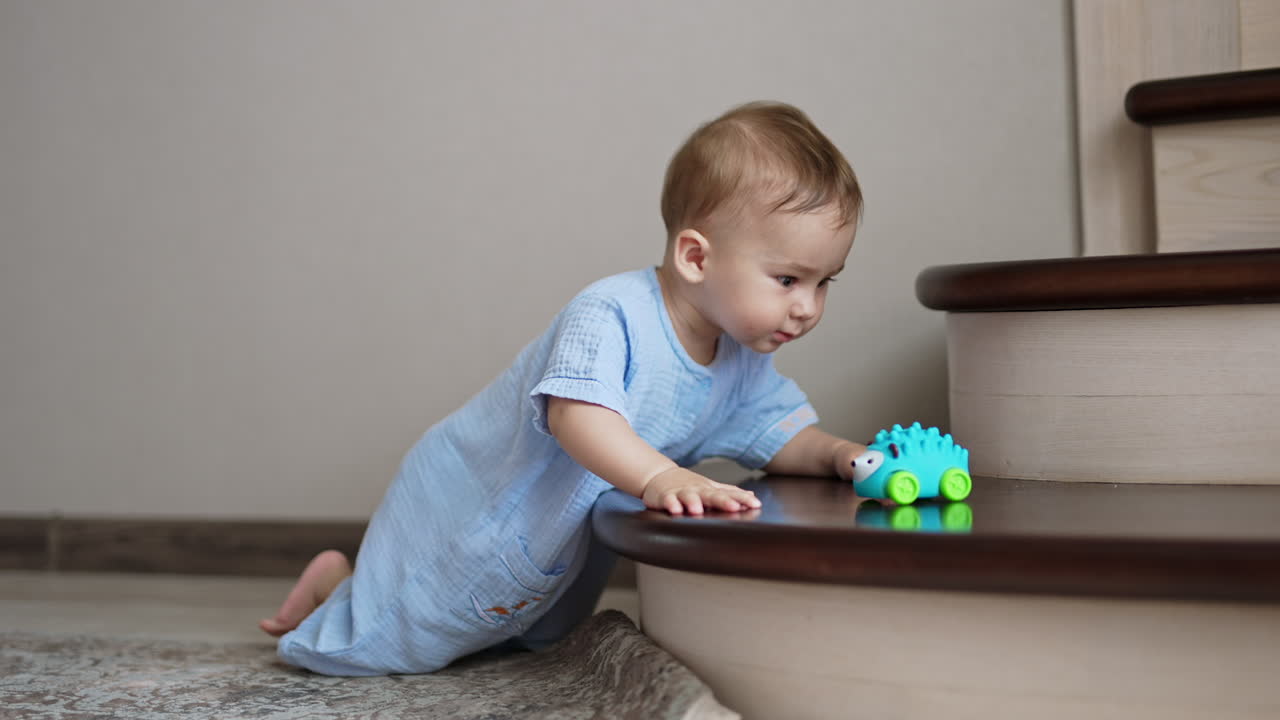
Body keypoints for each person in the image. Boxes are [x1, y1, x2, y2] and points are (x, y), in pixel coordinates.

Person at [260, 101, 868, 675]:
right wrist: (661, 478)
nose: (807, 308)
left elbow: (775, 429)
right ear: (695, 257)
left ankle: (350, 585)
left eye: (823, 284)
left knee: (528, 637)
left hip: (551, 545)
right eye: (788, 279)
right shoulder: (610, 314)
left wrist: (841, 456)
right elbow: (578, 418)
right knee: (396, 641)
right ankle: (331, 587)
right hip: (474, 509)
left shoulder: (737, 356)